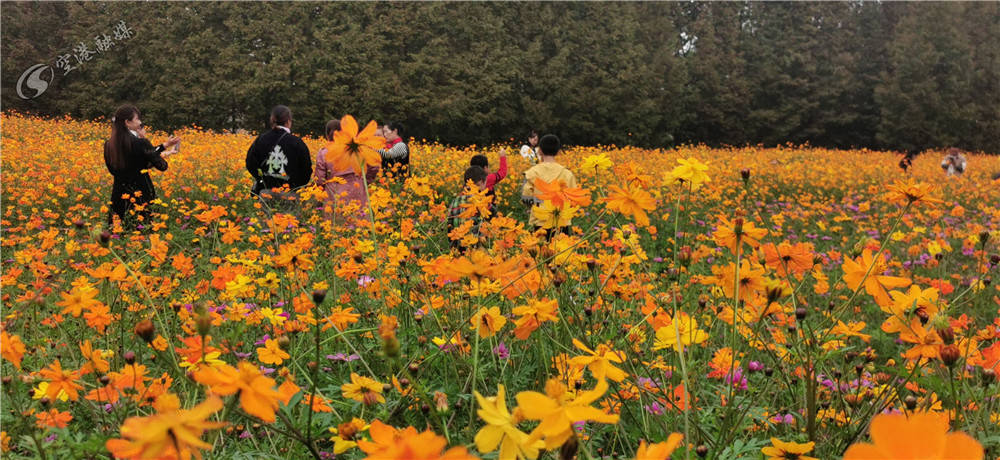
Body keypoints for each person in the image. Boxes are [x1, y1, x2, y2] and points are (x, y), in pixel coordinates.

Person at [103, 104, 180, 230]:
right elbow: (162, 165)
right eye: (137, 118)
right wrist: (150, 144)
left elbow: (119, 167)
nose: (140, 122)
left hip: (118, 194)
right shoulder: (141, 142)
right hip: (141, 193)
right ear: (127, 122)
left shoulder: (109, 145)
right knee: (142, 232)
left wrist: (163, 146)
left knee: (118, 232)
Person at [246, 105, 312, 211]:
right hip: (290, 194)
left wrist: (262, 179)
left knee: (266, 225)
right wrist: (295, 186)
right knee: (289, 225)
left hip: (266, 193)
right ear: (289, 121)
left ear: (272, 120)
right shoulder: (297, 142)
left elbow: (250, 163)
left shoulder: (261, 140)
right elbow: (306, 170)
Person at [314, 118, 379, 221]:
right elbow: (374, 166)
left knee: (336, 227)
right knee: (359, 225)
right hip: (357, 190)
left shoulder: (323, 153)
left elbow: (319, 179)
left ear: (327, 135)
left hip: (334, 193)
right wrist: (364, 180)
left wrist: (321, 194)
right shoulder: (358, 148)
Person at [521, 134, 577, 234]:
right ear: (559, 152)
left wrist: (537, 206)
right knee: (561, 248)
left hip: (539, 222)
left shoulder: (531, 173)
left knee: (540, 249)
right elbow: (573, 200)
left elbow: (525, 198)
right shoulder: (568, 174)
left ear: (539, 151)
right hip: (561, 222)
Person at [448, 166, 489, 252]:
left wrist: (453, 247)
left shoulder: (454, 201)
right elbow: (484, 227)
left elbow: (449, 225)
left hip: (458, 248)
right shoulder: (480, 201)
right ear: (481, 182)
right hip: (475, 249)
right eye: (485, 183)